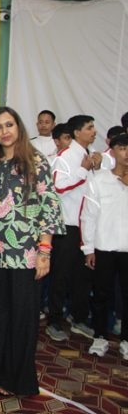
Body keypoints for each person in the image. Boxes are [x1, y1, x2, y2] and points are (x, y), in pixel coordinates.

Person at [0, 106, 64, 397]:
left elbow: (48, 206)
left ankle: (22, 380)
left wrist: (45, 250)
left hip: (27, 255)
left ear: (19, 127)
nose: (4, 131)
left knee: (23, 319)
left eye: (9, 125)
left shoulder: (35, 161)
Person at [47, 114, 102, 341]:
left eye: (93, 127)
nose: (94, 131)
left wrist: (94, 168)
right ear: (77, 132)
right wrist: (82, 170)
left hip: (86, 226)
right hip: (67, 226)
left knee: (83, 276)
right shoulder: (66, 156)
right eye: (89, 128)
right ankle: (54, 321)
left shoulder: (89, 155)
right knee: (60, 276)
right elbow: (57, 187)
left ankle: (78, 318)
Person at [82, 133, 128, 358]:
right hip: (104, 246)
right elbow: (88, 216)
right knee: (101, 294)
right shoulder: (99, 179)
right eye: (122, 148)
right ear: (113, 151)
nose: (127, 154)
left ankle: (126, 340)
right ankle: (100, 337)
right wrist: (88, 248)